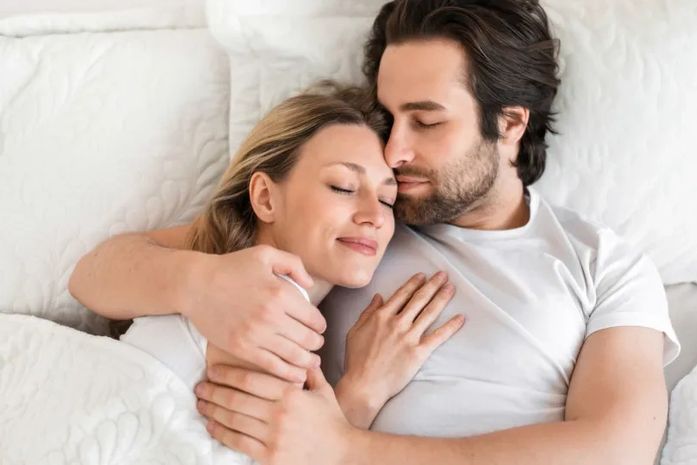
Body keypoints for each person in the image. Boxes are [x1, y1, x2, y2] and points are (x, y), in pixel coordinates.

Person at [69, 1, 681, 465]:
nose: (395, 150)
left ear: (510, 123)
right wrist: (200, 283)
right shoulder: (354, 227)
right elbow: (99, 273)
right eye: (388, 117)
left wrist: (346, 449)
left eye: (427, 121)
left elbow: (617, 448)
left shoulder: (605, 265)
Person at [100, 84, 464, 429]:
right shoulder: (251, 318)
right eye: (343, 187)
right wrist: (363, 393)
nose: (375, 216)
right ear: (265, 198)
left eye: (387, 199)